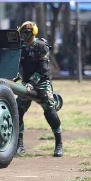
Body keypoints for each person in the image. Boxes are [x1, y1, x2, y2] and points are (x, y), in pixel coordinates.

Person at [15, 21, 63, 158]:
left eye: (27, 33)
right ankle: (19, 145)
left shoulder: (41, 46)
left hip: (42, 82)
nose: (24, 35)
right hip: (27, 83)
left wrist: (31, 83)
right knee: (18, 112)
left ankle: (59, 143)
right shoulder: (22, 48)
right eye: (22, 33)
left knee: (50, 112)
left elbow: (42, 69)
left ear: (33, 32)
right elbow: (18, 66)